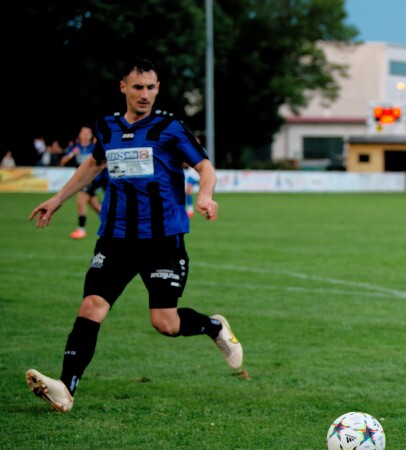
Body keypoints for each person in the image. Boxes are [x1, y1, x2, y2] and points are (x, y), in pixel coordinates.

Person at [25, 58, 243, 414]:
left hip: (162, 240)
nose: (145, 94)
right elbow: (93, 164)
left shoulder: (170, 127)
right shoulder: (107, 127)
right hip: (115, 236)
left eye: (151, 87)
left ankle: (215, 327)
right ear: (123, 87)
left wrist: (204, 195)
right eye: (138, 87)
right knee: (91, 306)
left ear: (158, 89)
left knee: (165, 323)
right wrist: (58, 199)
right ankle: (66, 388)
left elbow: (204, 167)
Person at [61, 126, 104, 239]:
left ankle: (81, 229)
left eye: (87, 133)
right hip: (82, 180)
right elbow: (63, 161)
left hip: (93, 179)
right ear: (79, 135)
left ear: (91, 136)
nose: (85, 135)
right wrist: (72, 154)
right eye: (83, 133)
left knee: (81, 200)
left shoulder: (94, 147)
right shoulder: (75, 147)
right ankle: (111, 222)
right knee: (95, 204)